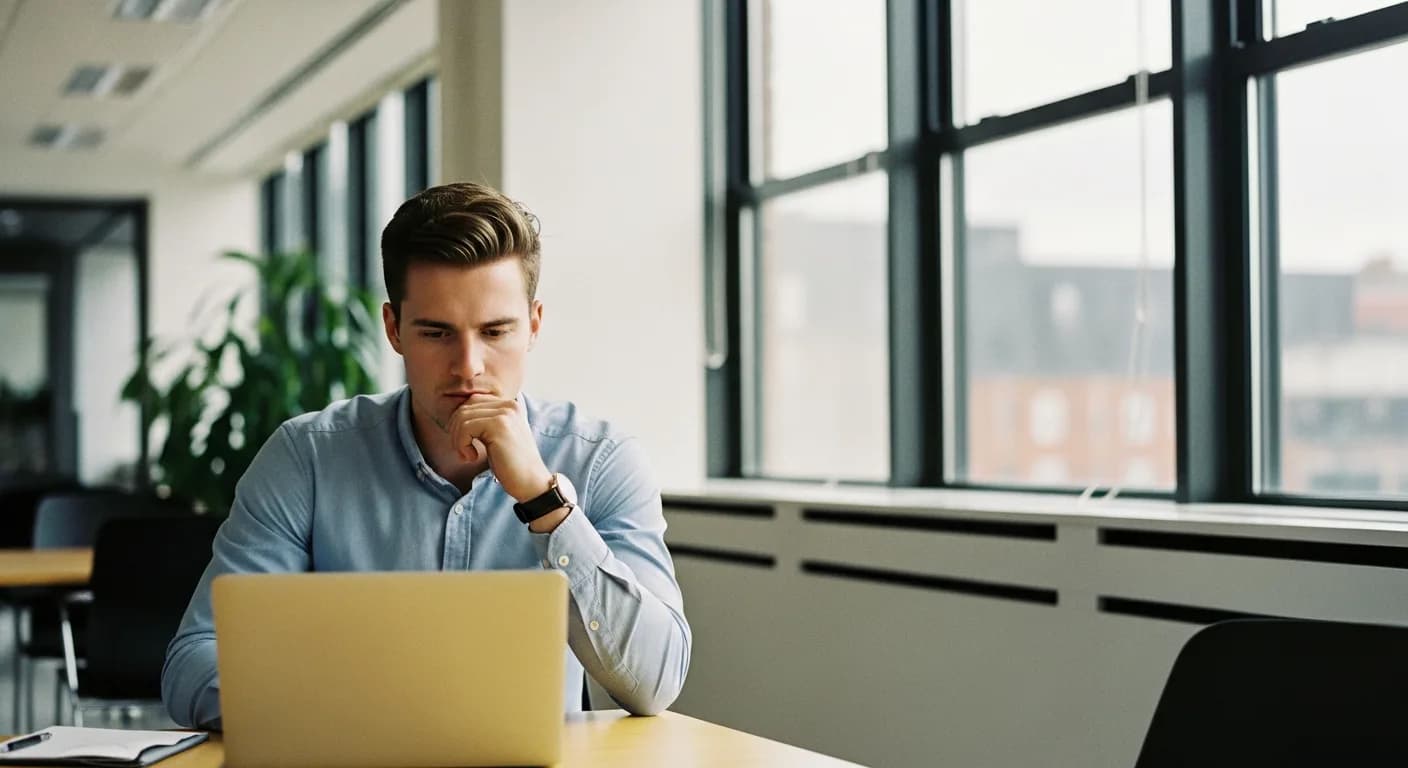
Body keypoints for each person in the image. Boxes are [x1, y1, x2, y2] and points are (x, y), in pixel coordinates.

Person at [162, 182, 691, 729]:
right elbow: (195, 664)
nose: (468, 366)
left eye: (495, 331)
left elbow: (655, 682)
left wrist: (545, 503)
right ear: (394, 329)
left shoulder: (601, 460)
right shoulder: (307, 459)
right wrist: (361, 715)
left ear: (533, 325)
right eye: (437, 333)